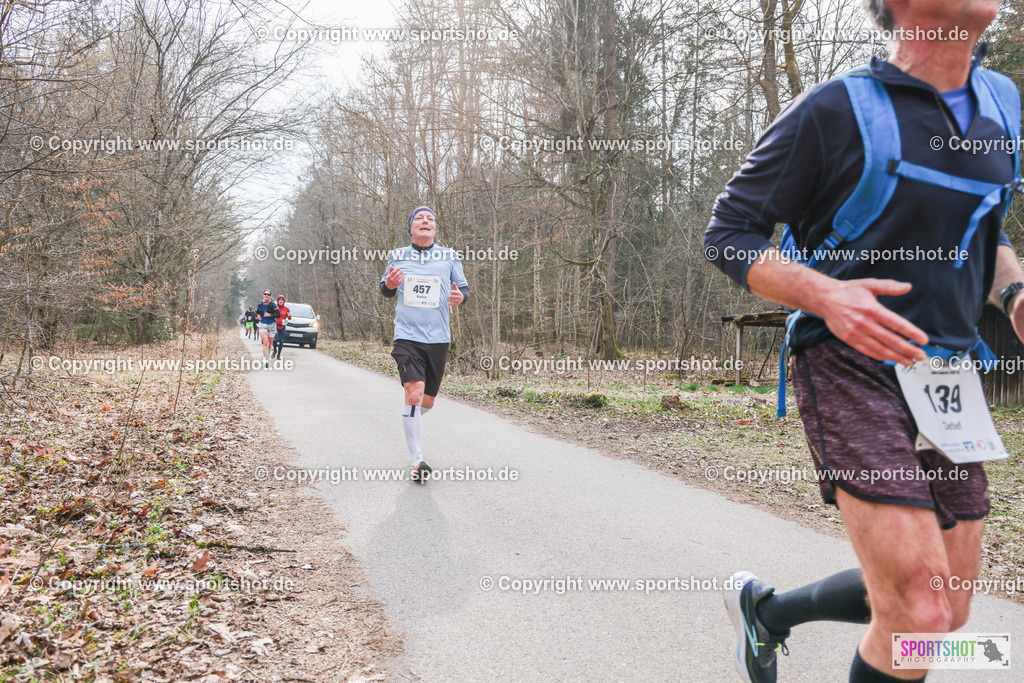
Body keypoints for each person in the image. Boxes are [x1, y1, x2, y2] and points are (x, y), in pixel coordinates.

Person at [704, 1, 1023, 681]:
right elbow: (727, 233)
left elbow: (985, 234)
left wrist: (1017, 292)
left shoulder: (1002, 104)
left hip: (948, 377)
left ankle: (767, 613)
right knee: (920, 614)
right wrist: (825, 293)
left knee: (947, 607)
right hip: (850, 359)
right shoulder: (836, 110)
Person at [379, 206, 469, 482]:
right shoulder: (397, 256)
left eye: (430, 218)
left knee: (425, 402)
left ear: (435, 228)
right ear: (410, 228)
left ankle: (412, 417)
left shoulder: (450, 256)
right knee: (414, 393)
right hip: (407, 337)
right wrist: (390, 285)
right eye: (419, 218)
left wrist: (459, 298)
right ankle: (417, 460)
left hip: (438, 339)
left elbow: (464, 290)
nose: (425, 221)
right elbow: (384, 289)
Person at [254, 290, 280, 368]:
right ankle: (265, 359)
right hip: (263, 325)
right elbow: (257, 312)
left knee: (269, 343)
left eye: (268, 294)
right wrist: (258, 316)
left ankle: (267, 355)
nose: (266, 295)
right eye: (265, 294)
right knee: (265, 342)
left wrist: (270, 315)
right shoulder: (260, 304)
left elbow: (278, 315)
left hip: (272, 325)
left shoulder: (273, 304)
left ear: (270, 296)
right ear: (263, 295)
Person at [272, 295, 292, 360]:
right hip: (276, 326)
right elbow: (272, 315)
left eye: (282, 300)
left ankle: (278, 355)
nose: (281, 301)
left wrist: (289, 316)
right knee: (275, 340)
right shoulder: (275, 307)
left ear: (284, 301)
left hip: (282, 327)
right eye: (279, 300)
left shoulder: (286, 309)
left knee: (281, 341)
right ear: (277, 301)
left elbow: (289, 318)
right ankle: (275, 350)